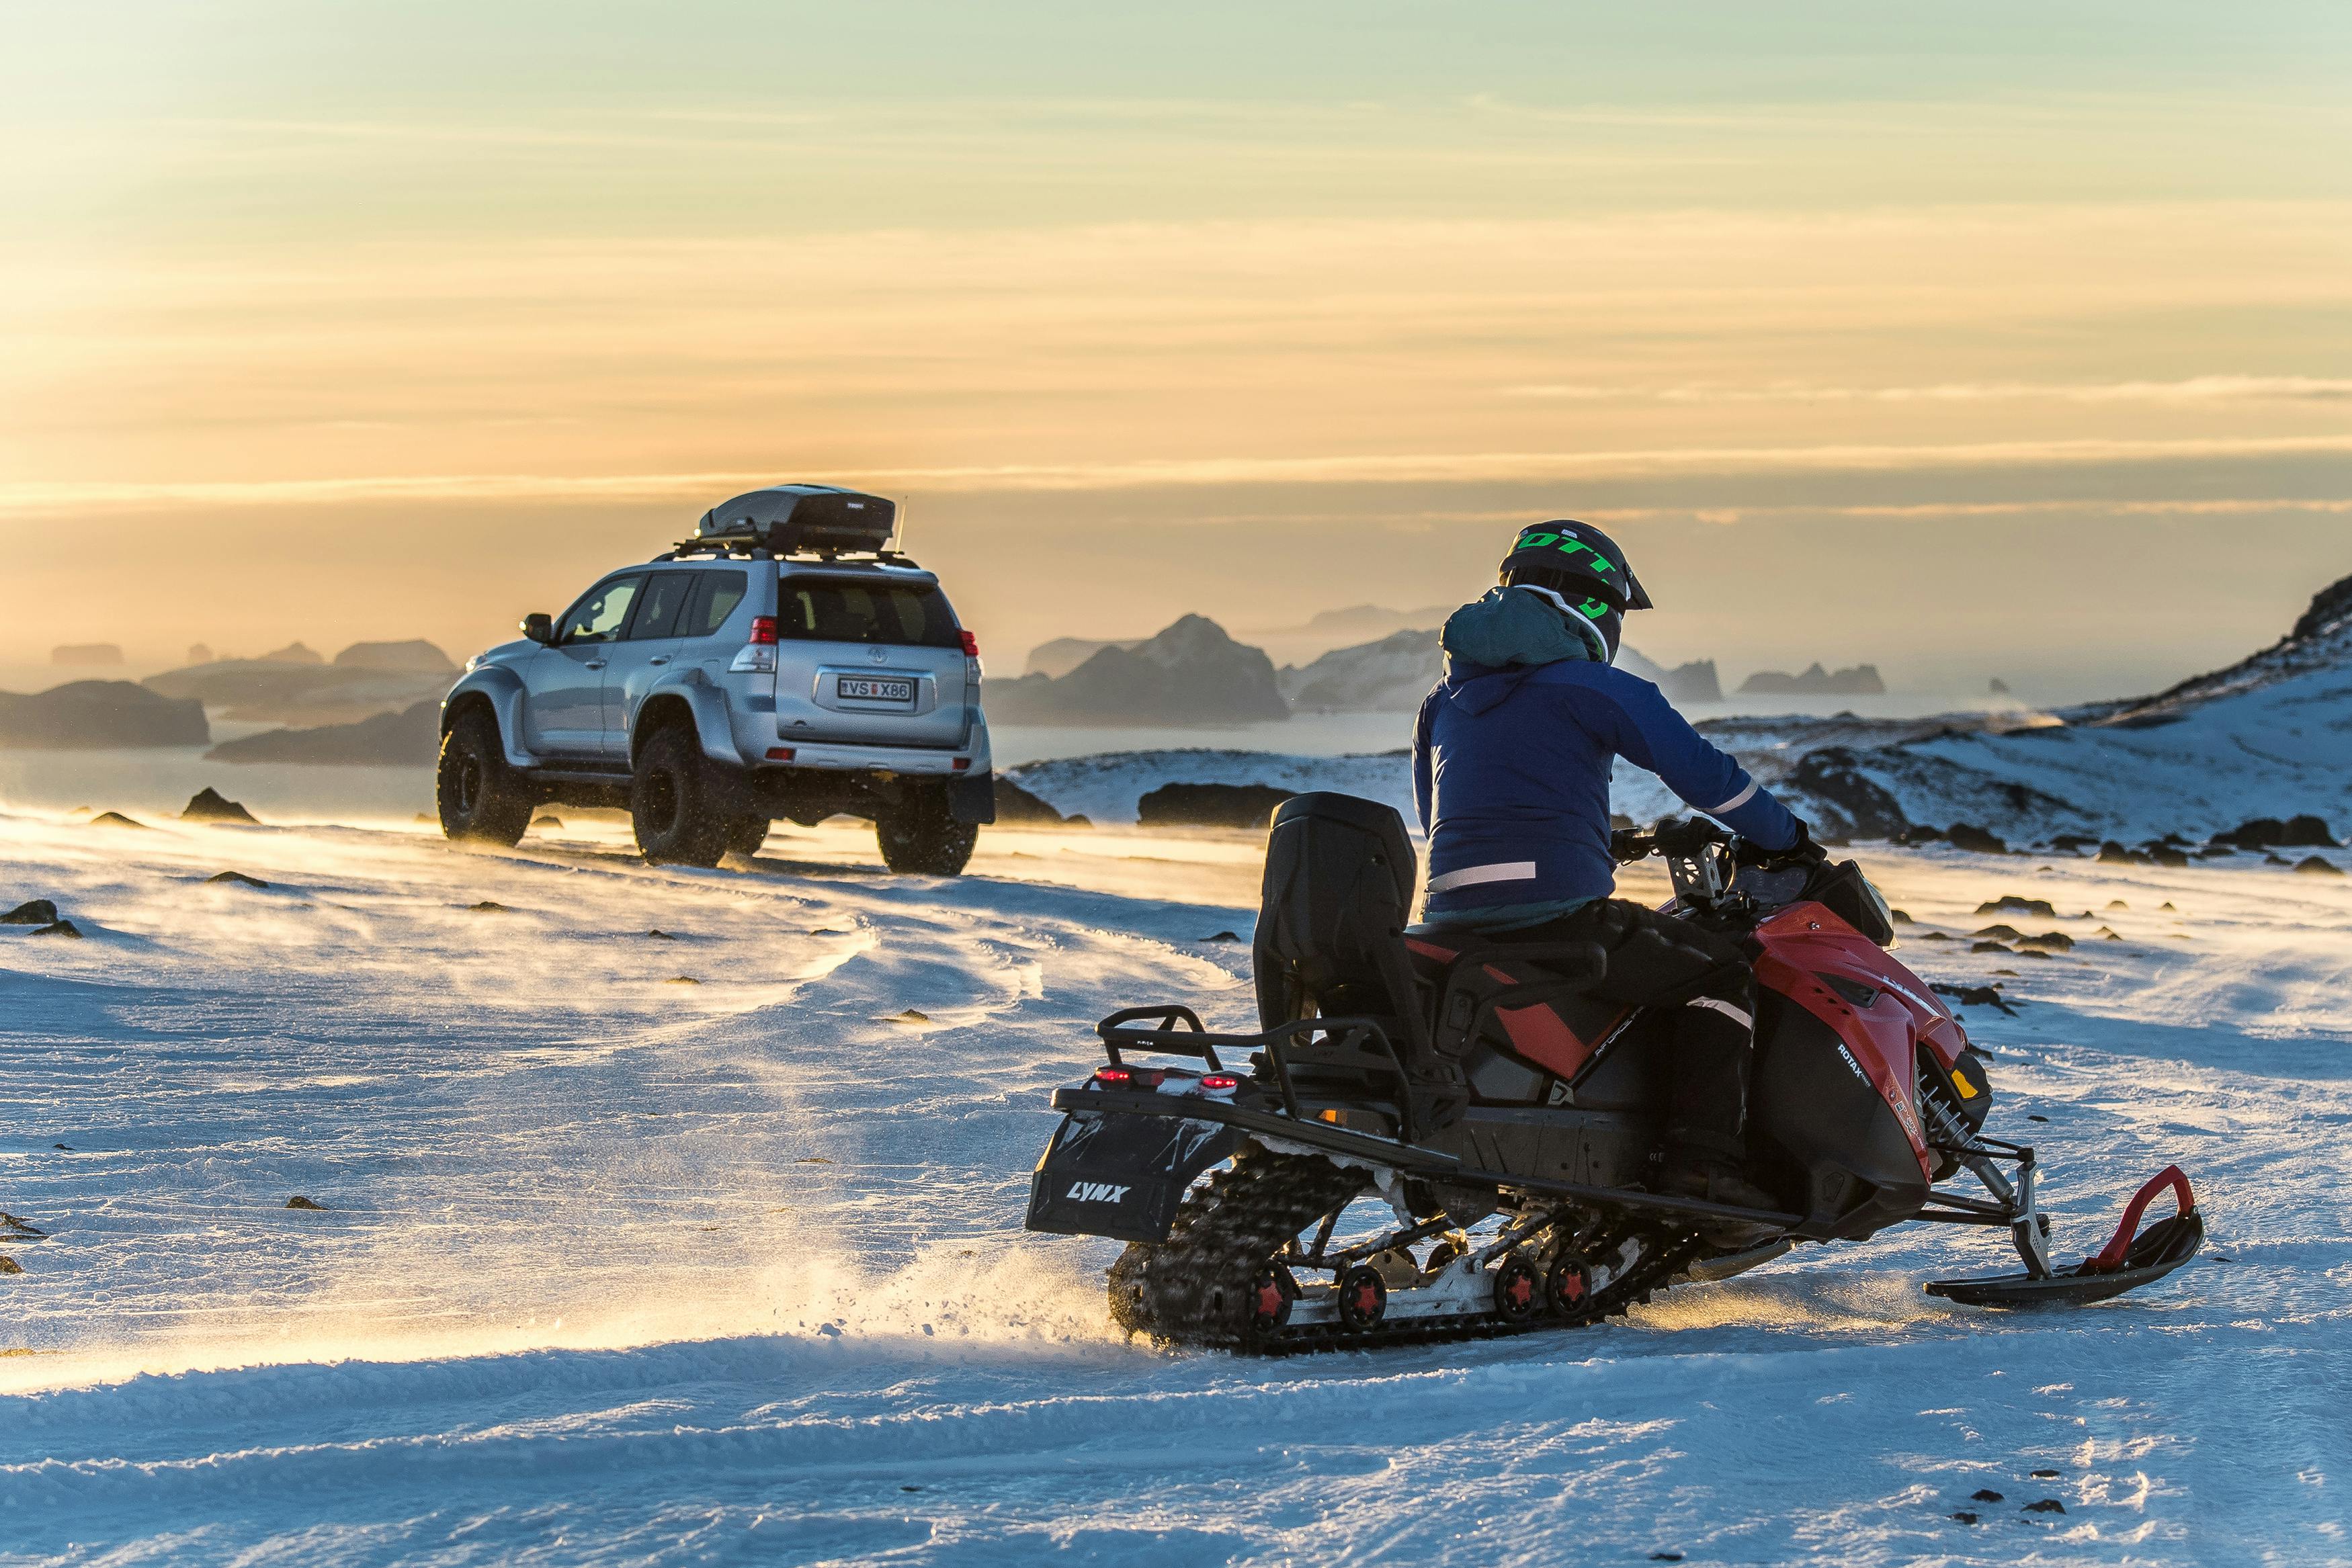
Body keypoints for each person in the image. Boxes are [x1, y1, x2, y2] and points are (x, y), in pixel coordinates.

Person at [1411, 520, 1821, 1214]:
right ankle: (1701, 1165)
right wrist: (1785, 839)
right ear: (1590, 604)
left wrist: (1591, 841)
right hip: (1554, 915)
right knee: (1718, 974)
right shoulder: (1592, 685)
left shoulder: (1442, 700)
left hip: (1450, 916)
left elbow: (1439, 814)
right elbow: (1706, 776)